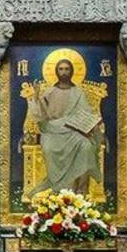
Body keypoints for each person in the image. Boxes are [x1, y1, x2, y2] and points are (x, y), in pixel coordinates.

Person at [27, 57, 102, 195]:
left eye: (67, 69)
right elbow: (40, 116)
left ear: (72, 71)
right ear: (56, 72)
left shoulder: (78, 92)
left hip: (73, 131)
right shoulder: (49, 92)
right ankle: (59, 189)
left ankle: (80, 191)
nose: (64, 72)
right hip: (52, 131)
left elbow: (86, 113)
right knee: (48, 149)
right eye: (61, 69)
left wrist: (92, 124)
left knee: (86, 146)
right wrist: (36, 97)